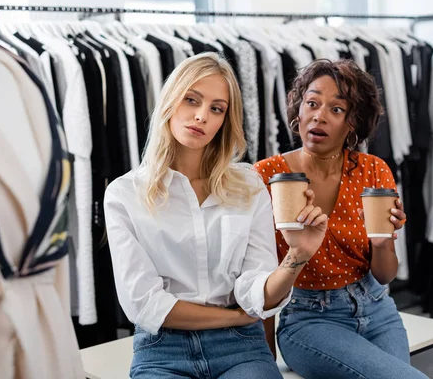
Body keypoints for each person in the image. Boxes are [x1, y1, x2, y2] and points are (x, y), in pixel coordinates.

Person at [104, 52, 328, 378]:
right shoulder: (125, 194)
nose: (201, 116)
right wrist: (235, 317)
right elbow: (145, 305)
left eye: (216, 108)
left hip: (240, 349)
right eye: (191, 100)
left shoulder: (248, 184)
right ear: (170, 101)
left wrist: (297, 256)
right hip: (162, 350)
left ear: (225, 120)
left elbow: (256, 292)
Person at [255, 59, 428, 379]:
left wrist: (381, 243)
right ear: (298, 109)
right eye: (312, 103)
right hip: (308, 319)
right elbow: (259, 277)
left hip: (377, 310)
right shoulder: (267, 176)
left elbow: (385, 275)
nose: (319, 115)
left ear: (353, 122)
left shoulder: (373, 171)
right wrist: (265, 362)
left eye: (336, 109)